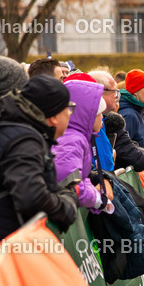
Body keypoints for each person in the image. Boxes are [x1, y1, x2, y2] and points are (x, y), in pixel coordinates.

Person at [0, 76, 79, 246]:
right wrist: (67, 205)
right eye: (69, 108)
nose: (70, 114)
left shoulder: (17, 129)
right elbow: (32, 197)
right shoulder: (24, 140)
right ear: (54, 116)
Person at [56, 74, 113, 213]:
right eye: (100, 113)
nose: (102, 118)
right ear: (89, 114)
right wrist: (98, 200)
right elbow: (69, 182)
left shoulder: (80, 138)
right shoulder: (72, 140)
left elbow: (81, 177)